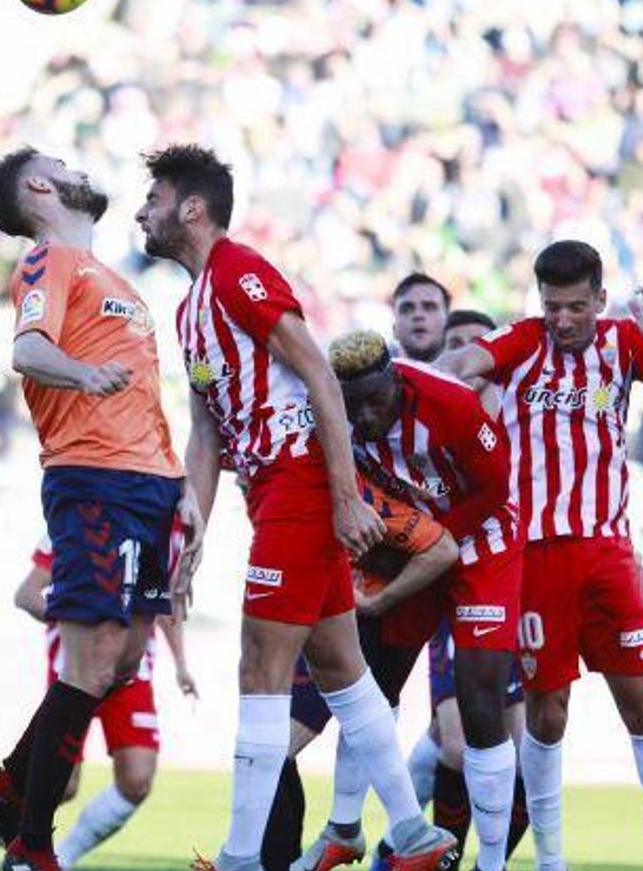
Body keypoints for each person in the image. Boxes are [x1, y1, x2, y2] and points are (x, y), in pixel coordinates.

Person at [135, 143, 455, 871]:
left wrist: (344, 498)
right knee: (341, 667)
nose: (140, 211)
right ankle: (412, 837)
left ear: (191, 208)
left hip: (299, 481)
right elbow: (207, 433)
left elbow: (316, 369)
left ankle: (242, 859)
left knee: (259, 664)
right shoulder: (190, 312)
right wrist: (193, 537)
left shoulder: (239, 271)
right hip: (270, 490)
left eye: (152, 199)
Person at [442, 240, 643, 871]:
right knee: (548, 710)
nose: (562, 320)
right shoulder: (522, 340)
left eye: (575, 308)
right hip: (532, 556)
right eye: (552, 306)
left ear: (600, 301)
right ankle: (550, 860)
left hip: (607, 553)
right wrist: (458, 379)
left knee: (642, 701)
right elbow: (460, 366)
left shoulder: (626, 343)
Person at [0, 146, 198, 871]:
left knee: (129, 656)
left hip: (148, 482)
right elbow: (30, 351)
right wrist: (84, 374)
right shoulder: (47, 261)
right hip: (95, 477)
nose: (79, 170)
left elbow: (141, 391)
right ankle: (32, 842)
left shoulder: (114, 277)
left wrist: (178, 479)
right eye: (63, 163)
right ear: (41, 186)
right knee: (95, 658)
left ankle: (10, 776)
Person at [316, 330, 522, 871]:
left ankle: (492, 863)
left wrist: (434, 537)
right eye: (351, 403)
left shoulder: (447, 400)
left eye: (373, 400)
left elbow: (497, 486)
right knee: (373, 688)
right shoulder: (332, 413)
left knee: (480, 703)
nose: (363, 415)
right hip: (410, 549)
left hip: (483, 544)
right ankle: (343, 827)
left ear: (396, 381)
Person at [12, 534, 198, 867]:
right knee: (63, 787)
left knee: (137, 779)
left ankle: (62, 858)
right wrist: (79, 619)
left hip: (131, 675)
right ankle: (13, 813)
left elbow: (164, 603)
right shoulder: (78, 519)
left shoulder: (164, 523)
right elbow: (26, 595)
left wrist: (182, 665)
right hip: (76, 670)